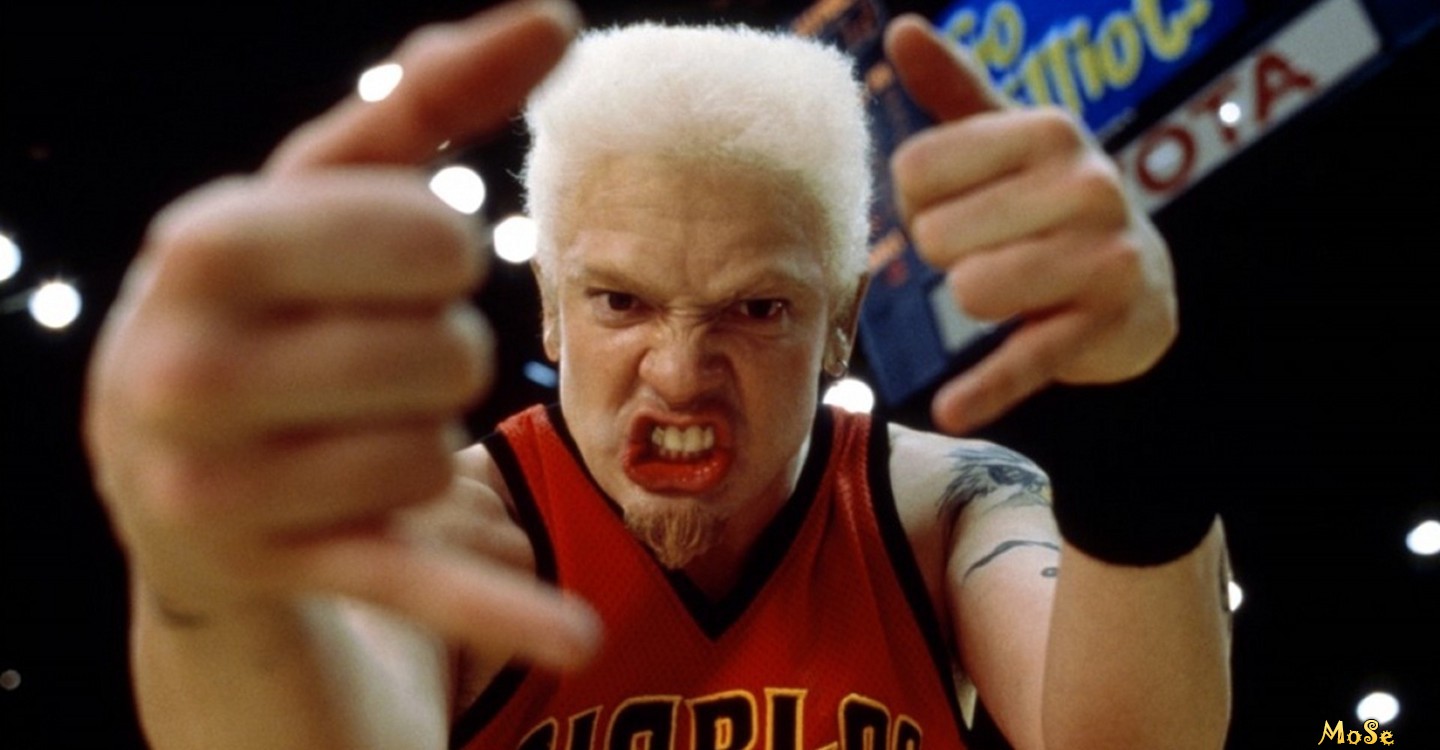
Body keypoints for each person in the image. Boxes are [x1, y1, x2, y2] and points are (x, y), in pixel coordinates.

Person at [83, 1, 1231, 748]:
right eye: (621, 302)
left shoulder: (942, 507)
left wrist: (1138, 404)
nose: (681, 375)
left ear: (842, 323)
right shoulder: (453, 532)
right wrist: (205, 579)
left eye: (758, 309)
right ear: (550, 304)